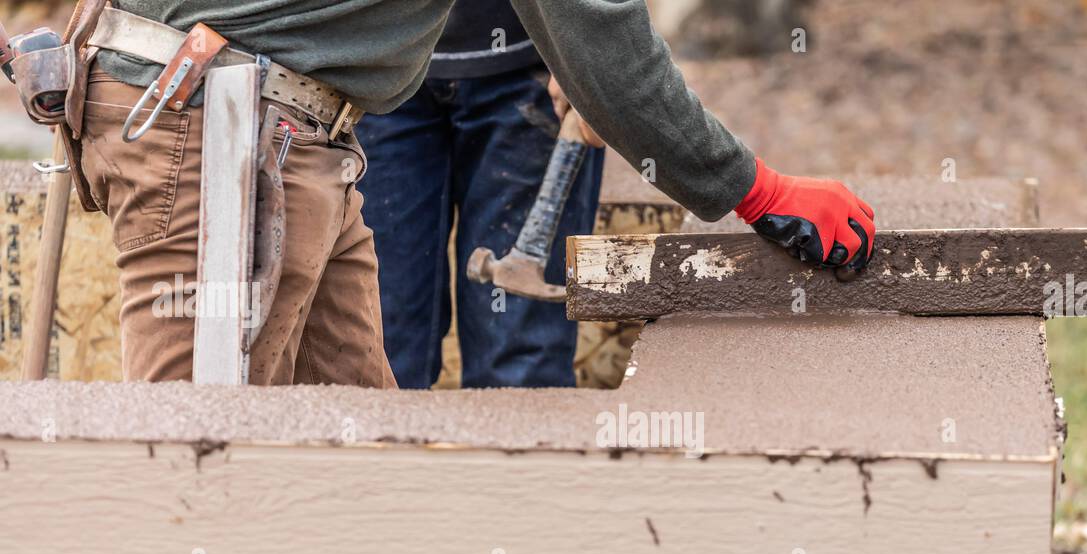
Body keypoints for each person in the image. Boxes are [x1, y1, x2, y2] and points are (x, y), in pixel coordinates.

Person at [72, 0, 875, 385]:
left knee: (347, 439)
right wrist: (755, 188)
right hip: (213, 121)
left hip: (291, 129)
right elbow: (596, 29)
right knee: (189, 457)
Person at [356, 1, 605, 389]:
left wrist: (589, 42)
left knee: (521, 362)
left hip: (534, 60)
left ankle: (519, 450)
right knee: (377, 347)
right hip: (369, 57)